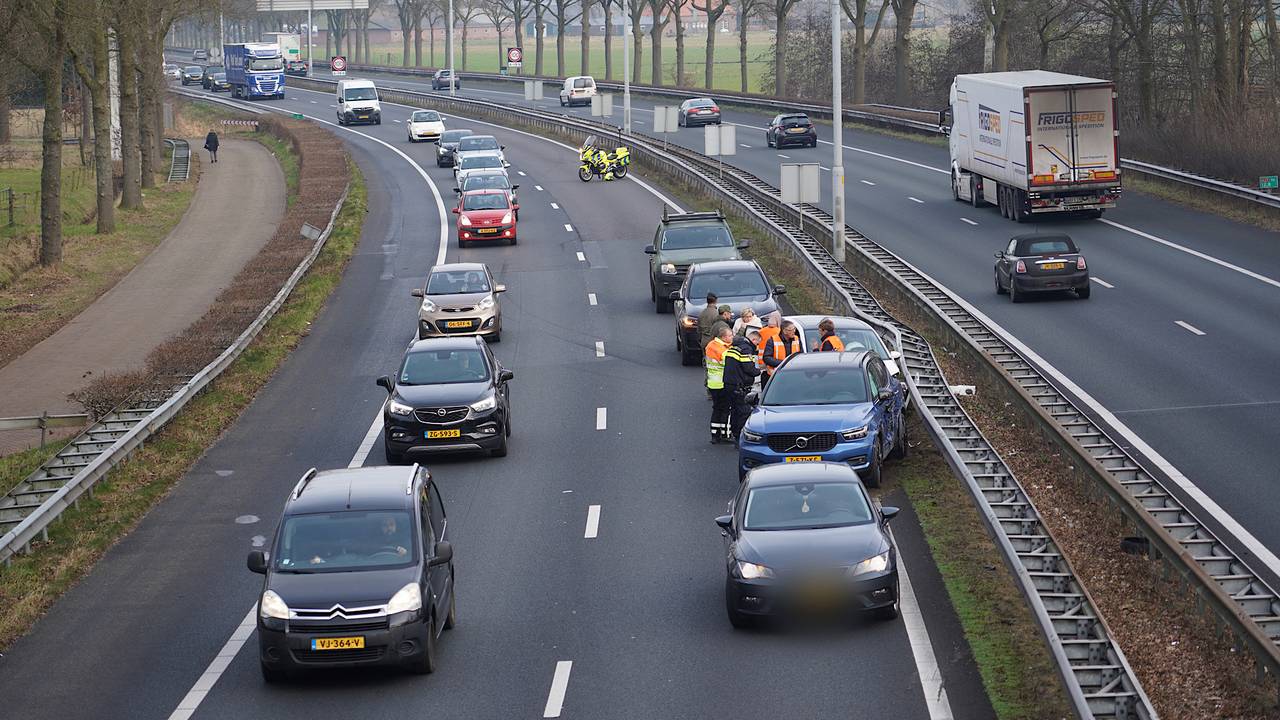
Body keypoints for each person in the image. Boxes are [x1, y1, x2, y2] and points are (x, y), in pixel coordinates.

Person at [723, 327, 762, 444]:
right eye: (757, 343)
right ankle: (740, 437)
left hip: (729, 383)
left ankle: (734, 434)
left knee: (735, 410)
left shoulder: (735, 346)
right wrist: (759, 370)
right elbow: (748, 368)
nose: (757, 346)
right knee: (743, 411)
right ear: (753, 339)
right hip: (738, 385)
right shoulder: (746, 349)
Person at [705, 329, 732, 443]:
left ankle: (715, 435)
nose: (732, 337)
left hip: (712, 382)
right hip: (722, 383)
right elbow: (729, 363)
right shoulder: (723, 350)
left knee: (717, 409)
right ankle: (725, 434)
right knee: (725, 409)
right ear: (723, 337)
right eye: (730, 335)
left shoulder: (711, 345)